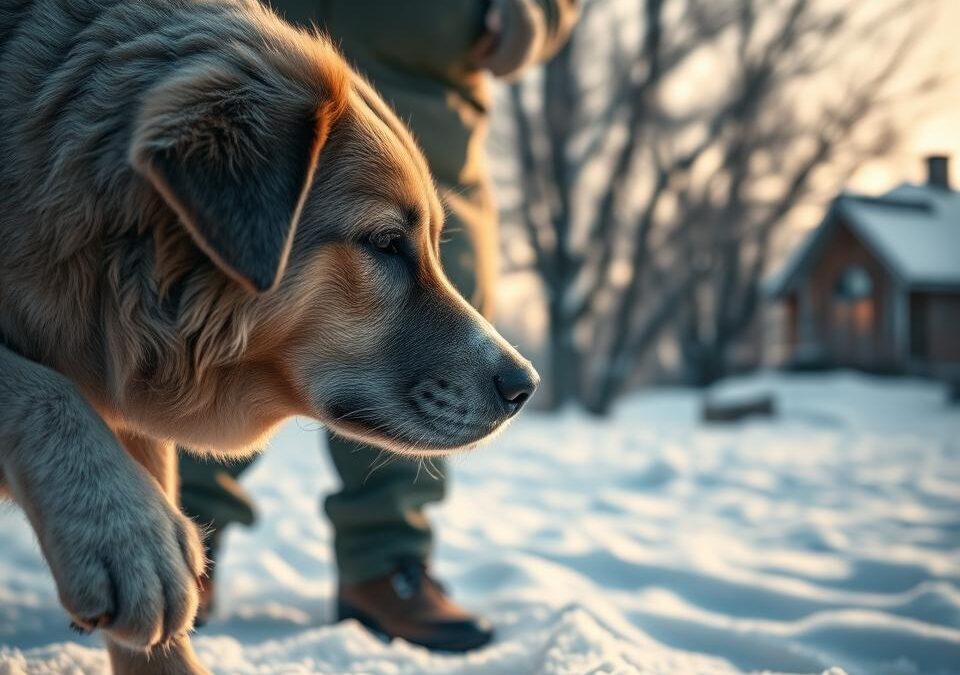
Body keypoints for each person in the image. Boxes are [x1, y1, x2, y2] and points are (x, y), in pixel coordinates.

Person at [178, 0, 578, 653]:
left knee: (425, 344)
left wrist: (526, 12)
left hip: (424, 86)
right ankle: (177, 540)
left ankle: (386, 560)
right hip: (263, 77)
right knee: (222, 305)